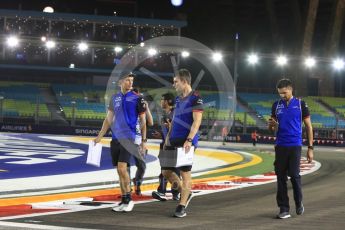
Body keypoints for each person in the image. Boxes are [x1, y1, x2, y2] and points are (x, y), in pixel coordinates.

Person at [94, 72, 147, 212]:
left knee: (122, 168)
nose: (130, 83)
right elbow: (108, 119)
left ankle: (129, 199)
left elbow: (143, 121)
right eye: (127, 80)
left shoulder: (137, 98)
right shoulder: (114, 98)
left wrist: (144, 141)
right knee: (119, 170)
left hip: (128, 138)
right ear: (120, 83)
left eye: (132, 81)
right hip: (116, 138)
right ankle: (124, 199)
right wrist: (100, 136)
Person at [268, 78, 314, 219]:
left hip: (295, 145)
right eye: (280, 93)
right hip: (280, 145)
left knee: (294, 175)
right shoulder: (276, 105)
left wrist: (310, 147)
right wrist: (272, 125)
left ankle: (298, 202)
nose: (282, 95)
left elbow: (308, 127)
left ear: (290, 89)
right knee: (280, 177)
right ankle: (284, 208)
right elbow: (271, 129)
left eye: (284, 92)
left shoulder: (301, 104)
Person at [162, 69, 203, 218]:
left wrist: (189, 140)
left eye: (175, 82)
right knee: (165, 172)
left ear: (184, 81)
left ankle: (182, 205)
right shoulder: (179, 99)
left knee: (185, 173)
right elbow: (174, 121)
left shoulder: (196, 98)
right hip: (173, 139)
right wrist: (167, 138)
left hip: (187, 141)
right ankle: (186, 193)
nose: (174, 85)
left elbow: (197, 121)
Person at [151, 92, 180, 201]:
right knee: (169, 170)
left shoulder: (173, 115)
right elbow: (168, 131)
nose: (161, 102)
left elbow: (175, 131)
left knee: (169, 170)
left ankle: (164, 192)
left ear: (168, 101)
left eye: (162, 100)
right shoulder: (167, 115)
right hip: (166, 145)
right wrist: (161, 134)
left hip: (171, 146)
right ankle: (174, 193)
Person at [132, 88, 154, 195]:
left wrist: (146, 108)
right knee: (125, 165)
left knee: (141, 166)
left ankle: (137, 183)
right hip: (128, 139)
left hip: (138, 141)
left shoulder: (140, 104)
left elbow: (149, 122)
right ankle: (128, 189)